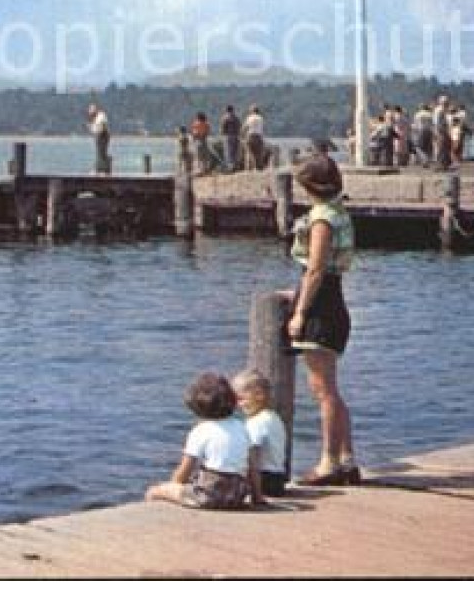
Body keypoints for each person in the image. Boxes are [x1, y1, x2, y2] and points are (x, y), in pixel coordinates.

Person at [286, 154, 360, 486]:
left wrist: (300, 312)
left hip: (322, 304)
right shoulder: (340, 212)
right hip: (335, 298)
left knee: (322, 390)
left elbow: (315, 269)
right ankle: (346, 459)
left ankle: (328, 463)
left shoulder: (322, 219)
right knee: (330, 388)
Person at [144, 372, 260, 509]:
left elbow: (186, 468)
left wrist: (173, 486)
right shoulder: (241, 427)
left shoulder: (201, 430)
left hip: (208, 495)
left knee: (154, 491)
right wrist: (258, 496)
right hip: (237, 494)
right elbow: (252, 466)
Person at [231, 369, 289, 498]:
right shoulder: (274, 417)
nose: (237, 405)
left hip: (263, 479)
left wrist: (255, 492)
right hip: (278, 479)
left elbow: (253, 459)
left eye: (241, 399)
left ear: (259, 395)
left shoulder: (257, 423)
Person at [88, 103, 111, 174]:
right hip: (99, 136)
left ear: (95, 110)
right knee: (100, 153)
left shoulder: (101, 115)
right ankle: (101, 169)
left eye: (91, 111)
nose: (90, 113)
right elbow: (95, 129)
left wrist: (94, 128)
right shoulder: (95, 118)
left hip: (103, 135)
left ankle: (103, 169)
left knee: (102, 153)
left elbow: (102, 126)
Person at [243, 105, 267, 170]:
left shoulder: (249, 118)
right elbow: (263, 128)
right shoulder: (261, 118)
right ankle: (258, 167)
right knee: (259, 153)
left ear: (251, 111)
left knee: (249, 152)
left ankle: (248, 168)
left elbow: (245, 127)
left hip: (250, 136)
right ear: (258, 111)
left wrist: (242, 135)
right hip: (258, 136)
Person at [220, 105, 242, 172]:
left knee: (228, 152)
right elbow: (240, 126)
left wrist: (222, 134)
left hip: (228, 136)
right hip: (236, 136)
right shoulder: (236, 118)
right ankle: (235, 166)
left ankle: (230, 167)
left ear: (227, 110)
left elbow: (223, 127)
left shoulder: (225, 117)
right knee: (235, 152)